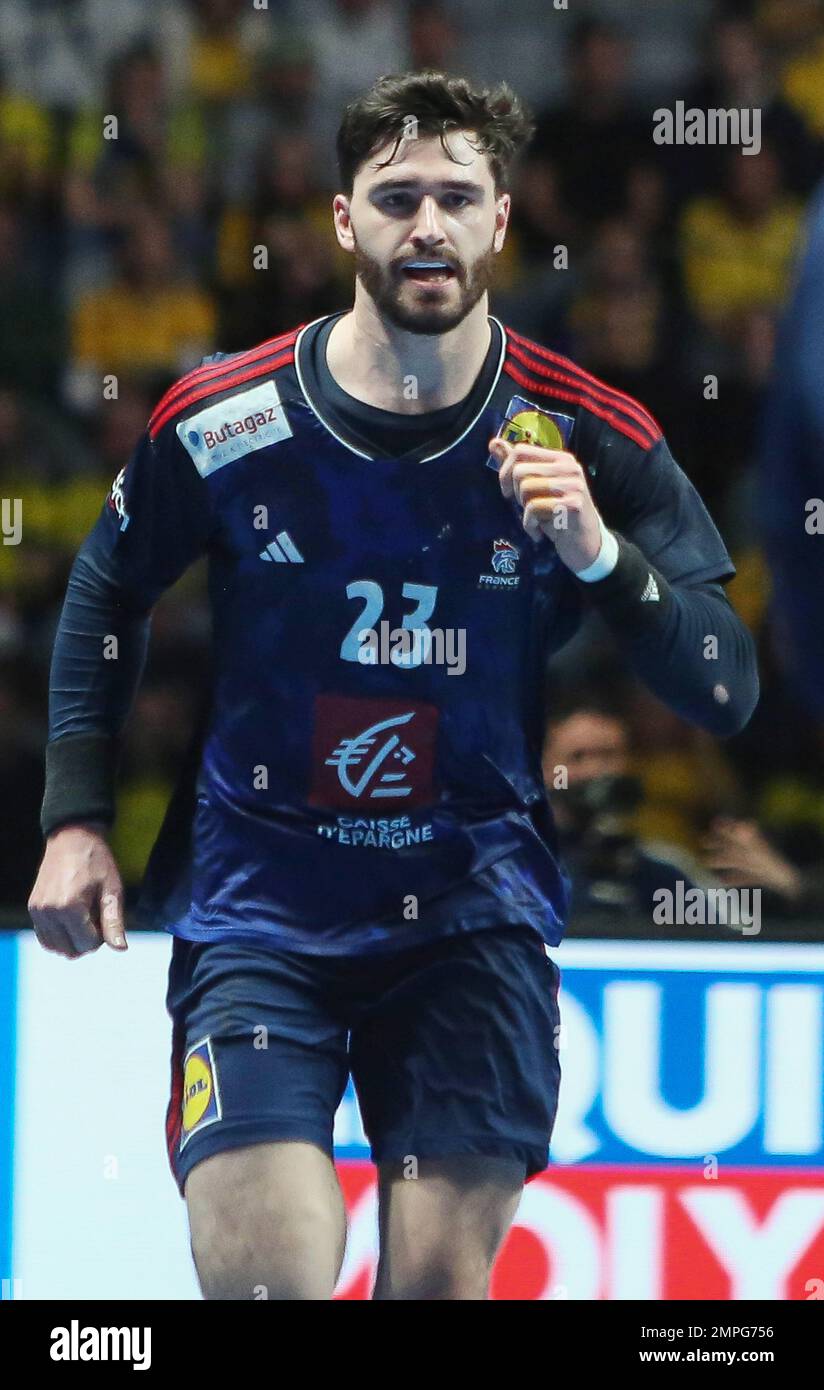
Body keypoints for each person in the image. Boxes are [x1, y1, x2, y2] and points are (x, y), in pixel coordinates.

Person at [27, 70, 759, 1302]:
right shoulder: (222, 419)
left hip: (470, 914)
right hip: (259, 904)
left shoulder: (589, 432)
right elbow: (106, 593)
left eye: (455, 197)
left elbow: (723, 686)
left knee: (430, 1289)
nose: (427, 222)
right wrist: (75, 816)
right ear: (341, 220)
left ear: (499, 224)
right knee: (265, 1276)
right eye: (397, 195)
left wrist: (596, 554)